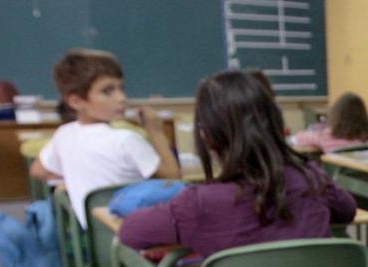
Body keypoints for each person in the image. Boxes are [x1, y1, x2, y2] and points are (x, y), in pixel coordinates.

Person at [118, 70, 356, 257]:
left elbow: (130, 232)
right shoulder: (311, 178)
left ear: (206, 136)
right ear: (276, 124)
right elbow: (347, 211)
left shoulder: (197, 204)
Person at [29, 48, 180, 228]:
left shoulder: (64, 134)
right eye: (107, 91)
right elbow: (174, 179)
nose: (121, 98)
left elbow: (38, 170)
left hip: (96, 243)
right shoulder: (126, 140)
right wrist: (156, 132)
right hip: (137, 244)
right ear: (76, 101)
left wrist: (80, 175)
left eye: (121, 88)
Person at [290, 92, 368, 152]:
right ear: (364, 115)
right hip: (365, 177)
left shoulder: (327, 136)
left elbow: (297, 139)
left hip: (334, 177)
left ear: (336, 114)